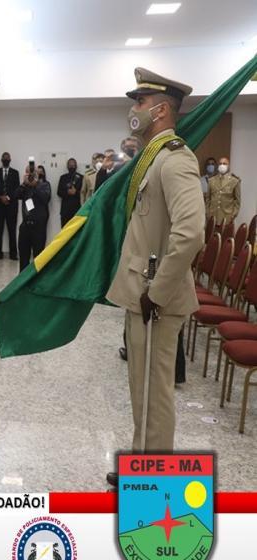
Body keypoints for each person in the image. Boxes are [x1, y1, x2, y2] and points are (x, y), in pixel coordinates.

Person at [106, 67, 204, 487]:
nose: (134, 109)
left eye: (141, 102)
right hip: (144, 292)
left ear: (161, 110)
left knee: (155, 392)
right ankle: (142, 464)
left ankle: (155, 480)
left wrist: (157, 292)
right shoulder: (154, 158)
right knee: (141, 388)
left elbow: (191, 233)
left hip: (156, 299)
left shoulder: (175, 159)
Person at [15, 164, 50, 271]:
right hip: (25, 225)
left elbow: (45, 199)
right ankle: (23, 278)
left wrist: (35, 185)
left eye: (32, 172)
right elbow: (15, 195)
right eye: (27, 172)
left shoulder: (44, 185)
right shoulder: (24, 186)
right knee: (23, 258)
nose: (30, 174)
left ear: (37, 174)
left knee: (38, 258)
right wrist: (23, 184)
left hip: (38, 227)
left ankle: (37, 279)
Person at [0, 152, 20, 260]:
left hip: (11, 206)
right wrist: (1, 197)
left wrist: (8, 198)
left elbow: (17, 189)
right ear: (1, 160)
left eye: (8, 158)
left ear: (10, 160)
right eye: (4, 158)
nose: (6, 160)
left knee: (12, 230)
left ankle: (13, 254)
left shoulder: (15, 173)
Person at [207, 157, 241, 225]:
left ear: (228, 166)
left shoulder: (234, 181)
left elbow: (237, 201)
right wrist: (207, 213)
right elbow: (208, 199)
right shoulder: (211, 180)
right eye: (220, 164)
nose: (222, 165)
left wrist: (233, 215)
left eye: (224, 164)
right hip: (213, 216)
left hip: (227, 217)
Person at [56, 157, 83, 227]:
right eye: (70, 165)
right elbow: (59, 192)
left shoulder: (81, 178)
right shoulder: (63, 177)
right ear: (67, 166)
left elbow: (84, 193)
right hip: (65, 210)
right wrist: (67, 192)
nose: (72, 167)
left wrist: (76, 192)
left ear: (76, 166)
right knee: (64, 230)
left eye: (73, 165)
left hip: (77, 210)